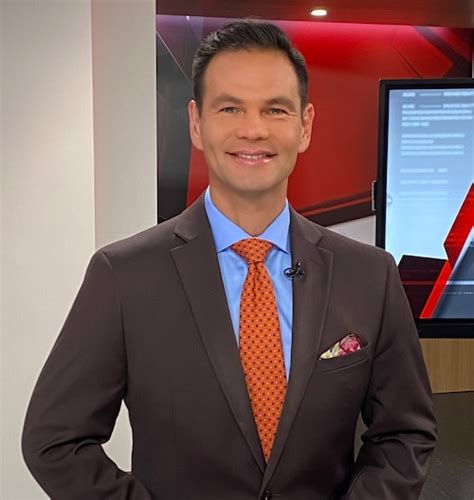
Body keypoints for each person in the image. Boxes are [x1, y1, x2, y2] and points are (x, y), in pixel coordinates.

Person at [22, 20, 437, 500]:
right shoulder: (124, 276)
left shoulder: (369, 275)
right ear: (196, 123)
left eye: (275, 109)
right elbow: (55, 441)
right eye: (230, 108)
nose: (253, 130)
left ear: (304, 126)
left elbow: (405, 434)